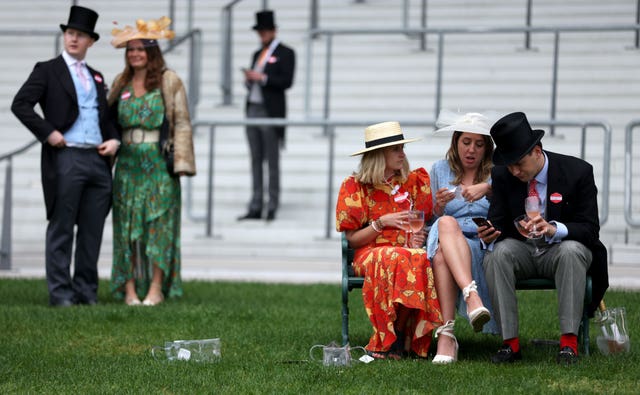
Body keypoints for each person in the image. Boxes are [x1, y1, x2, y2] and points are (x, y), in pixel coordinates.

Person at [11, 6, 120, 307]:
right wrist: (48, 132)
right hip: (66, 156)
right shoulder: (47, 70)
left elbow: (106, 117)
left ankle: (86, 292)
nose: (74, 39)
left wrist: (115, 139)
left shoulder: (97, 77)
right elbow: (20, 104)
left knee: (92, 229)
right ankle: (61, 294)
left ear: (90, 42)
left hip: (98, 161)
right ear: (64, 36)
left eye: (81, 35)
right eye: (70, 33)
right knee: (61, 226)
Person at [480, 112, 608, 365]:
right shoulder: (503, 176)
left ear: (537, 151)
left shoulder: (577, 171)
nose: (515, 171)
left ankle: (569, 344)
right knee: (497, 253)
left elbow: (590, 229)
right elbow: (499, 223)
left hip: (560, 249)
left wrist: (554, 229)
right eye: (509, 165)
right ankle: (510, 344)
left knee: (572, 250)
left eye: (519, 163)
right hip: (523, 250)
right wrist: (489, 233)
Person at [108, 17, 196, 306]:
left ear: (152, 51)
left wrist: (181, 163)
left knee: (159, 226)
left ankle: (156, 288)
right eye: (130, 49)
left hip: (158, 165)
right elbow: (107, 121)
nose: (135, 54)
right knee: (127, 228)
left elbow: (182, 122)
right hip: (128, 165)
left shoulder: (169, 80)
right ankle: (131, 290)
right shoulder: (120, 82)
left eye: (141, 49)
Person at [336, 121, 442, 360]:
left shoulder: (413, 182)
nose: (402, 154)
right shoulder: (355, 187)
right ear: (378, 155)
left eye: (402, 148)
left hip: (404, 254)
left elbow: (422, 223)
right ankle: (393, 337)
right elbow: (352, 240)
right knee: (395, 256)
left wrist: (418, 236)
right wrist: (381, 223)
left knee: (416, 257)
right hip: (370, 254)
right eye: (396, 149)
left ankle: (398, 337)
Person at [238, 10, 295, 222]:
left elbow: (286, 81)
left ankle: (271, 204)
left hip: (270, 111)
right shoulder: (257, 54)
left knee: (272, 160)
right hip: (253, 108)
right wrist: (250, 79)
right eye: (260, 31)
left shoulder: (286, 52)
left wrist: (262, 78)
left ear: (273, 30)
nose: (262, 34)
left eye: (265, 30)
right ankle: (255, 203)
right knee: (255, 158)